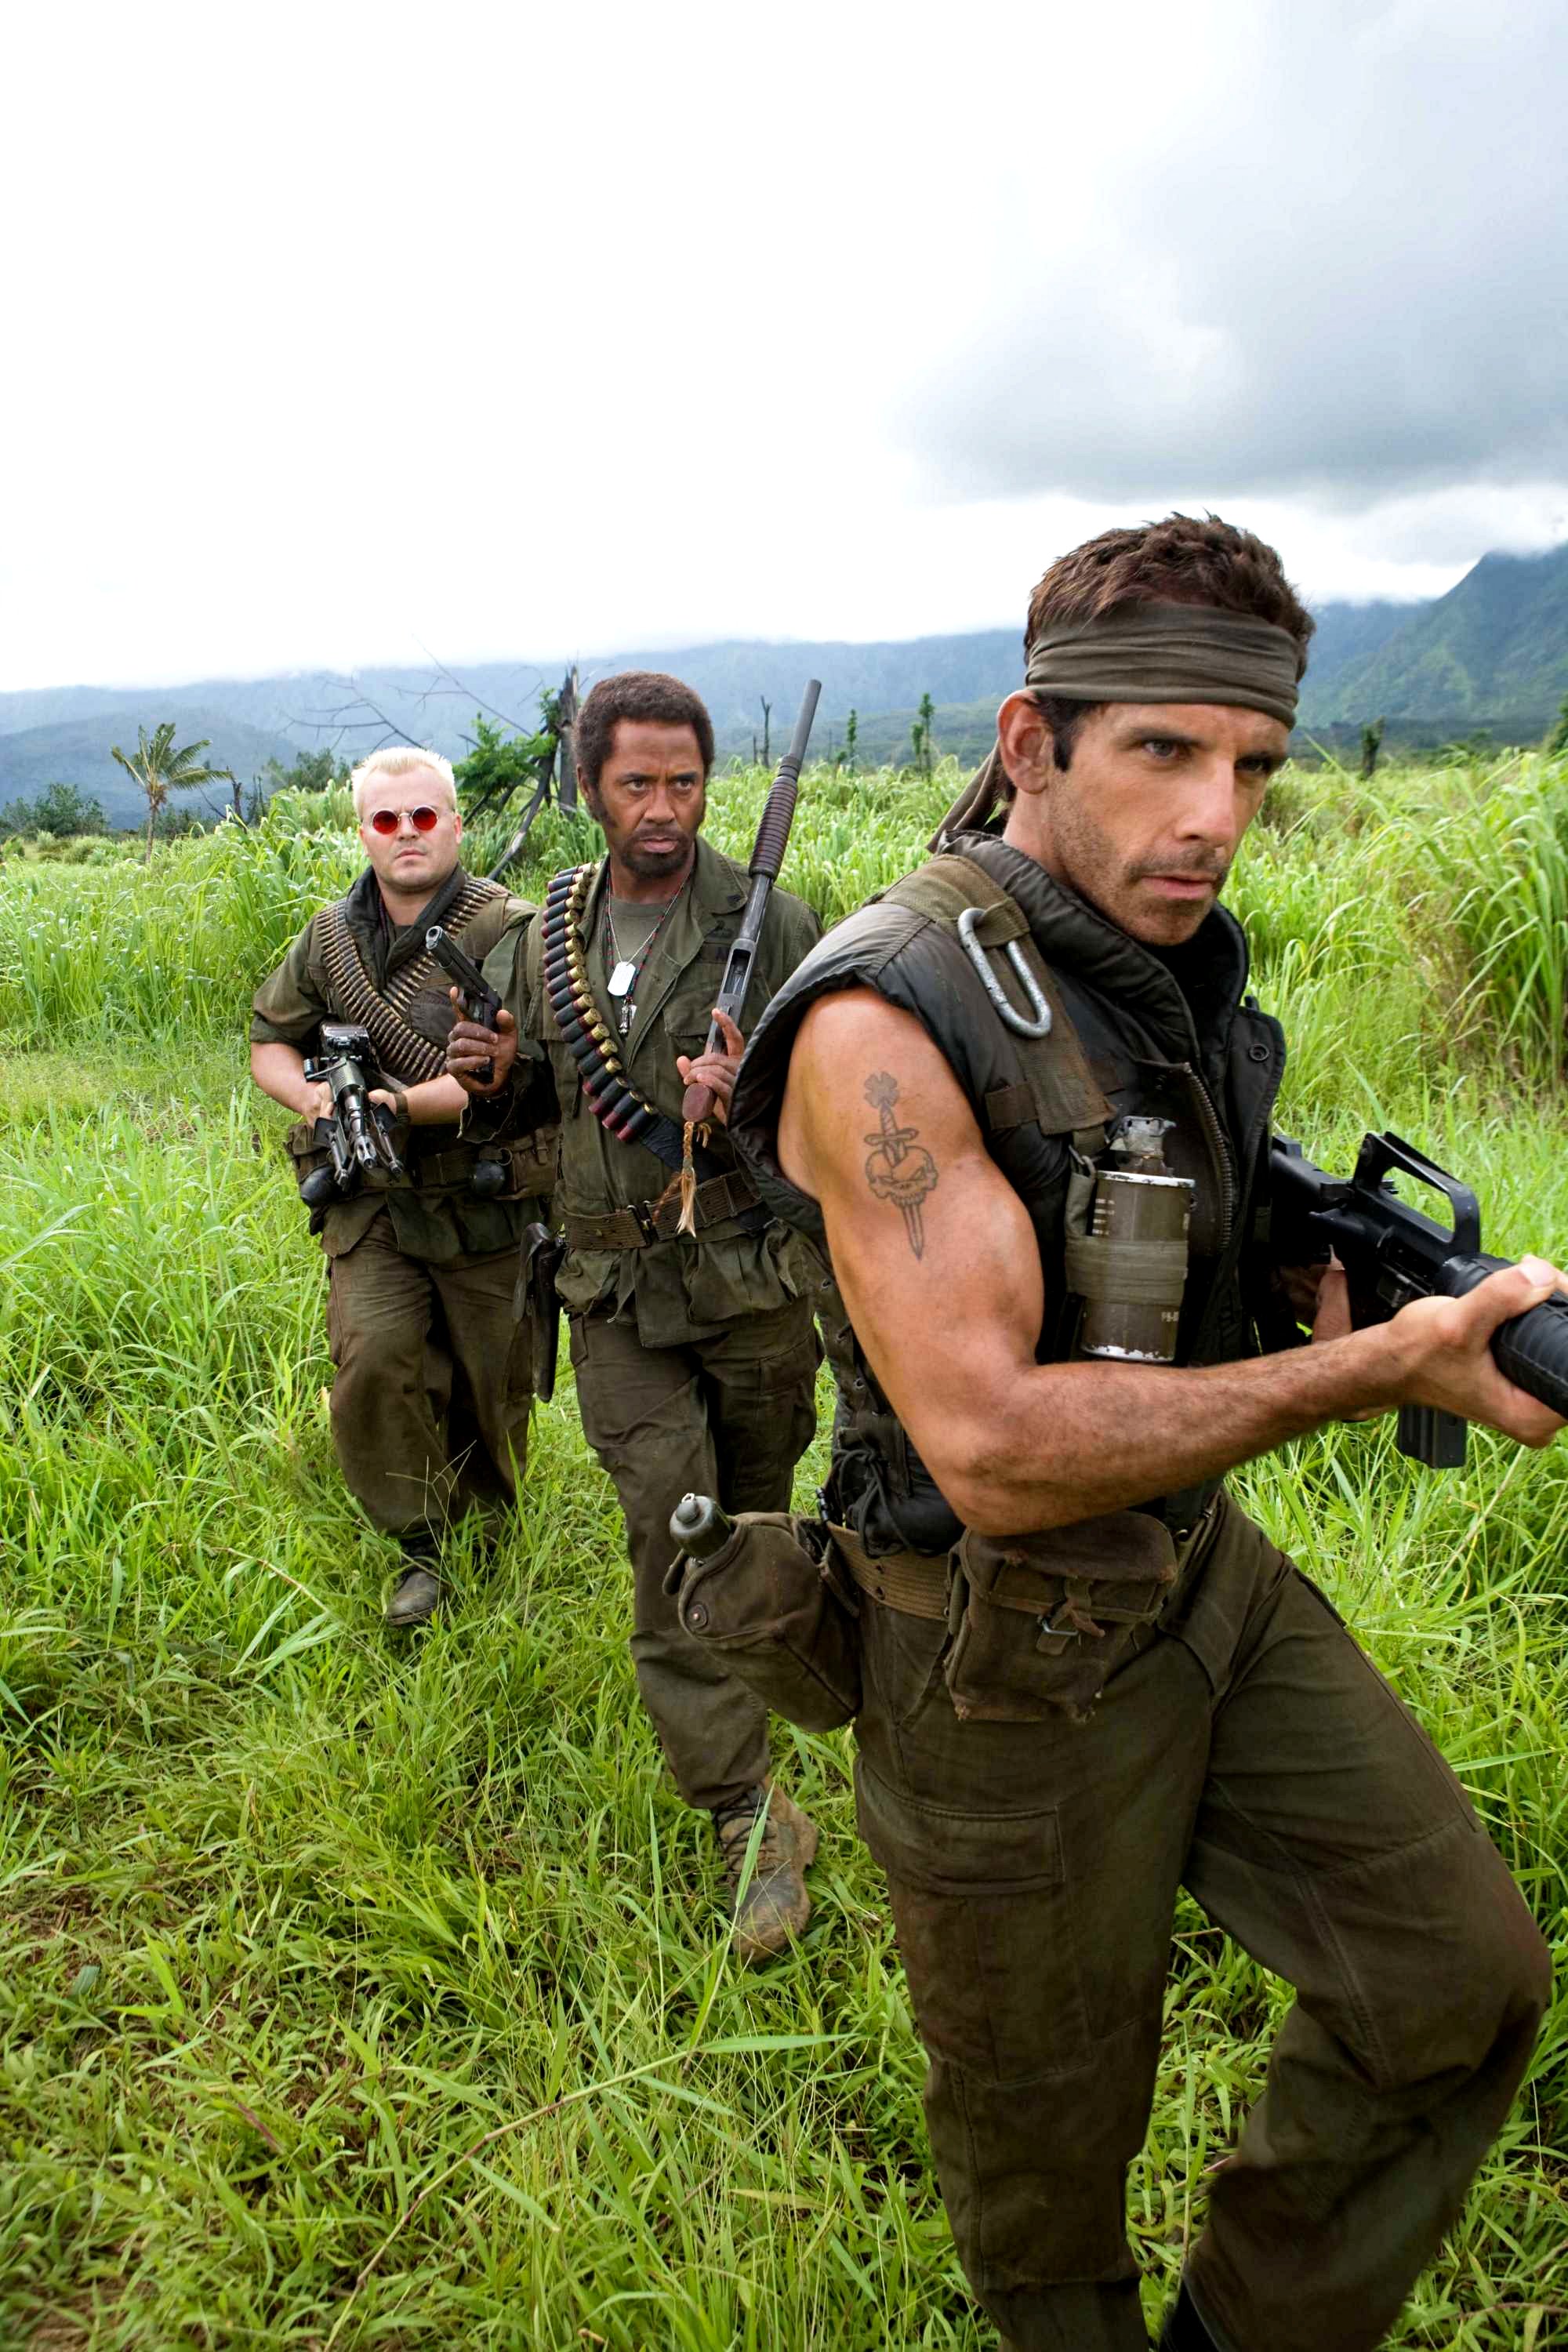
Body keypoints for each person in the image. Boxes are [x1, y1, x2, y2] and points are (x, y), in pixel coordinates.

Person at [727, 516, 1555, 2351]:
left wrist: (1290, 1299)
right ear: (1028, 742)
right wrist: (1375, 1372)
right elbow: (991, 1442)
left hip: (1189, 1572)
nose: (1210, 817)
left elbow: (1140, 1244)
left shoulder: (1142, 955)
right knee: (1045, 2175)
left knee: (1457, 1981)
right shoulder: (883, 1021)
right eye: (1159, 754)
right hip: (991, 1654)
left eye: (1249, 765)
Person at [445, 670, 826, 1962]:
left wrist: (749, 1093)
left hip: (754, 1293)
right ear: (592, 788)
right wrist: (491, 1081)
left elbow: (838, 1108)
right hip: (611, 1298)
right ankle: (746, 1815)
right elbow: (532, 1108)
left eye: (685, 783)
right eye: (635, 784)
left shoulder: (773, 921)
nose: (663, 809)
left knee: (761, 1538)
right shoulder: (546, 929)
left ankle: (830, 1720)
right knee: (681, 1532)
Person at [250, 745, 557, 1625]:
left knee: (489, 1384)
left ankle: (493, 1533)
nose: (407, 834)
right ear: (364, 833)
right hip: (372, 1199)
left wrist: (401, 1102)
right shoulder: (329, 936)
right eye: (387, 821)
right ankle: (422, 1546)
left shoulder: (508, 932)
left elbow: (516, 1070)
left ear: (455, 823)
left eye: (424, 816)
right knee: (377, 1360)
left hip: (483, 1198)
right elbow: (270, 1038)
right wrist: (317, 1098)